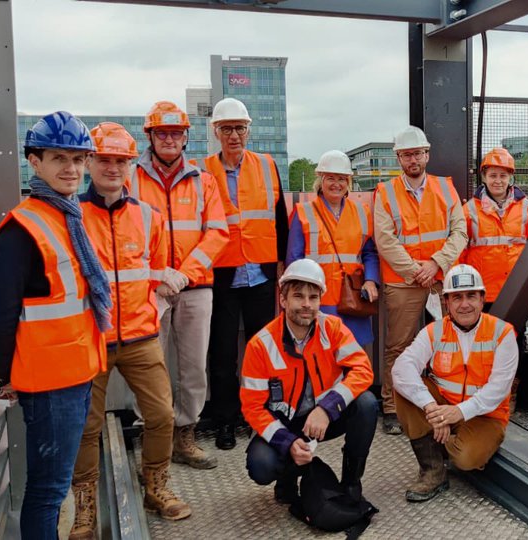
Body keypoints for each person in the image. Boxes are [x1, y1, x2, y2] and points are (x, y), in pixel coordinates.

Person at [0, 111, 109, 539]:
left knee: (52, 486)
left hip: (75, 371)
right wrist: (3, 375)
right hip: (50, 381)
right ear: (34, 162)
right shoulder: (23, 228)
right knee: (48, 490)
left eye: (77, 158)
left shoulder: (65, 215)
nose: (71, 169)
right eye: (59, 158)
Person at [70, 123, 190, 540]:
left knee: (161, 415)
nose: (112, 167)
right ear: (89, 162)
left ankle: (155, 486)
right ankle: (84, 506)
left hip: (140, 336)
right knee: (86, 426)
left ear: (130, 165)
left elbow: (157, 272)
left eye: (120, 161)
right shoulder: (72, 215)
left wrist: (152, 311)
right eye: (104, 159)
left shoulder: (146, 215)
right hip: (92, 340)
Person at [128, 101, 229, 469]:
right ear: (150, 137)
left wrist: (184, 272)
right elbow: (122, 233)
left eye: (175, 133)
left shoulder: (204, 180)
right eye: (162, 133)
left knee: (192, 366)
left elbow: (218, 232)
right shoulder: (130, 178)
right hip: (148, 290)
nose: (169, 140)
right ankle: (153, 434)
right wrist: (157, 275)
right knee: (148, 365)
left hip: (196, 287)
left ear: (186, 137)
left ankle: (185, 434)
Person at [241, 259, 378, 503]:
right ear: (283, 300)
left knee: (366, 405)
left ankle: (350, 484)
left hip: (324, 417)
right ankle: (287, 479)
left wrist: (327, 409)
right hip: (284, 423)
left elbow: (363, 370)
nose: (306, 304)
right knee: (261, 465)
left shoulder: (332, 328)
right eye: (298, 296)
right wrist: (288, 442)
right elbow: (252, 407)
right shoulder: (260, 345)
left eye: (313, 297)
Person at [196, 98, 290, 451]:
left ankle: (260, 417)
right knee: (221, 354)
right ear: (215, 132)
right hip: (221, 276)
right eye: (226, 129)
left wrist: (282, 266)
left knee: (262, 350)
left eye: (239, 128)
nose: (233, 135)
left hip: (262, 276)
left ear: (249, 131)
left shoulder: (267, 166)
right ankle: (224, 419)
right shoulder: (203, 171)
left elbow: (279, 218)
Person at [391, 265, 518, 502]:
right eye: (457, 297)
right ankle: (433, 472)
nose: (465, 304)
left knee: (467, 459)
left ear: (483, 299)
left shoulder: (503, 333)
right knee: (403, 389)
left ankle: (442, 442)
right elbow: (401, 368)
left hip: (485, 417)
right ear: (446, 302)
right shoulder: (434, 331)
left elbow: (498, 389)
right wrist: (432, 409)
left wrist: (457, 412)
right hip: (442, 406)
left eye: (471, 295)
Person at [373, 126, 468, 435]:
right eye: (406, 155)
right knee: (398, 346)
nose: (412, 159)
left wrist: (436, 264)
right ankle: (391, 406)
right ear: (398, 158)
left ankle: (447, 401)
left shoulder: (445, 188)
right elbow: (385, 241)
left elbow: (460, 232)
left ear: (426, 154)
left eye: (416, 153)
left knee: (448, 342)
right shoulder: (385, 192)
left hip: (440, 280)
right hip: (404, 282)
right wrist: (417, 270)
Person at [287, 150, 380, 346]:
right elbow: (293, 260)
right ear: (321, 180)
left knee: (354, 357)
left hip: (353, 298)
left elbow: (369, 252)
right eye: (330, 178)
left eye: (342, 179)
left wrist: (371, 280)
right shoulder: (304, 212)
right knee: (320, 355)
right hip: (317, 299)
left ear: (349, 183)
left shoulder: (361, 212)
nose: (336, 184)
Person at [460, 147, 528, 309]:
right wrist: (462, 289)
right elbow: (459, 253)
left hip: (516, 289)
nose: (498, 181)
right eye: (493, 175)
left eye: (503, 176)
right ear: (484, 177)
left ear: (510, 177)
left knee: (516, 334)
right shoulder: (469, 211)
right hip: (481, 291)